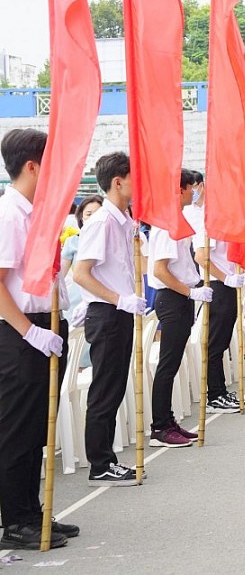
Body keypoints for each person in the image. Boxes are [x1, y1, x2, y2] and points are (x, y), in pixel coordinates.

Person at [0, 128, 79, 549]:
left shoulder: (37, 212)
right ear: (32, 165)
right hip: (20, 331)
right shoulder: (10, 213)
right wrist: (29, 331)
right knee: (17, 429)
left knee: (35, 430)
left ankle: (33, 512)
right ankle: (15, 521)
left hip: (45, 324)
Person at [74, 152, 147, 486]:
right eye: (133, 177)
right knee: (105, 388)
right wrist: (119, 298)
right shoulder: (101, 221)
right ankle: (100, 462)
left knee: (115, 385)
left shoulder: (123, 220)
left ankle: (106, 459)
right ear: (118, 181)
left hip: (120, 310)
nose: (138, 183)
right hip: (107, 312)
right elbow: (80, 274)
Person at [146, 170, 213, 447]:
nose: (193, 193)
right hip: (172, 298)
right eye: (190, 188)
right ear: (181, 190)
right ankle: (159, 427)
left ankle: (168, 419)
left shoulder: (179, 221)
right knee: (167, 364)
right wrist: (190, 291)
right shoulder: (166, 225)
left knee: (173, 363)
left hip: (182, 296)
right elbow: (160, 271)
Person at [193, 212, 245, 414]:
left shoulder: (226, 223)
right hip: (217, 285)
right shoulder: (208, 225)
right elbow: (200, 256)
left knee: (222, 341)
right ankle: (214, 395)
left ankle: (220, 390)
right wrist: (225, 278)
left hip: (227, 285)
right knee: (215, 343)